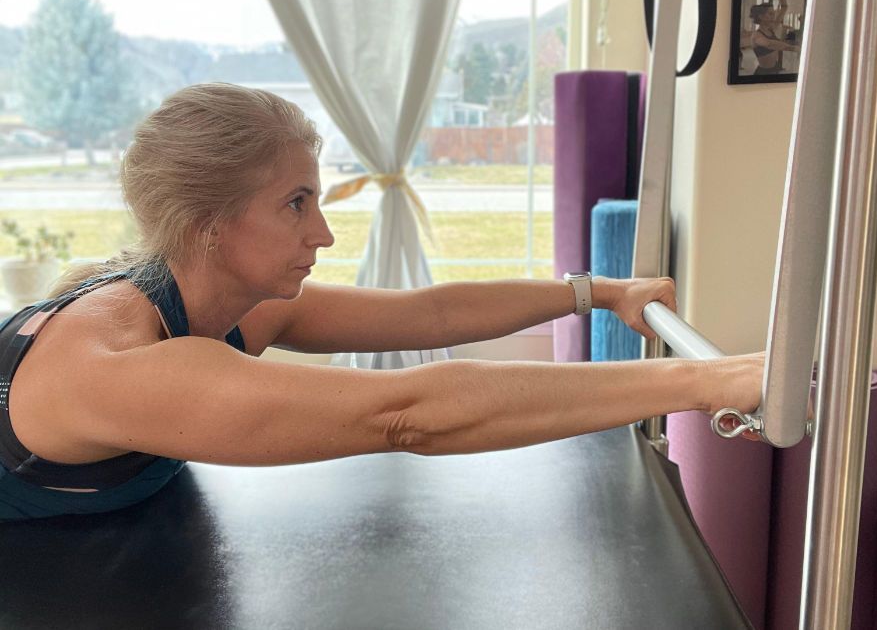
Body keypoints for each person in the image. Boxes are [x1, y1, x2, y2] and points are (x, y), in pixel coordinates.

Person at [0, 83, 764, 520]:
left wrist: (598, 293)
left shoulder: (229, 302)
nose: (324, 233)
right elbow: (407, 412)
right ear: (209, 226)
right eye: (296, 204)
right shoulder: (118, 366)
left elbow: (428, 314)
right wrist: (708, 382)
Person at [749, 0, 801, 76]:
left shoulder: (771, 28)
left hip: (774, 69)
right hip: (763, 73)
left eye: (773, 13)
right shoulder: (756, 35)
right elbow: (770, 44)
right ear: (761, 16)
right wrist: (793, 48)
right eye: (770, 14)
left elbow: (784, 7)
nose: (774, 16)